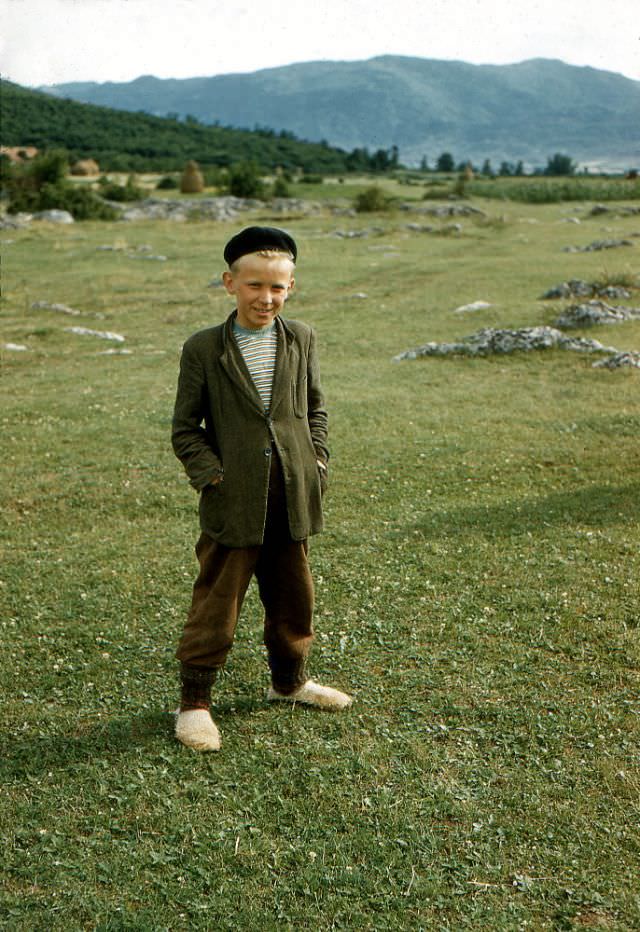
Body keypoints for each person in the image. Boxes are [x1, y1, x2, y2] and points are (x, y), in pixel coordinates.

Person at [171, 226, 351, 751]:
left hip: (293, 495)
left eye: (277, 287)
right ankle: (194, 705)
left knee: (294, 596)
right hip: (233, 500)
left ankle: (289, 684)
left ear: (291, 287)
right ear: (230, 283)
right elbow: (186, 429)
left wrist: (316, 462)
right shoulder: (204, 348)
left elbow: (314, 409)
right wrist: (213, 475)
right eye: (254, 285)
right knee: (217, 602)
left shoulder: (302, 338)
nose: (265, 298)